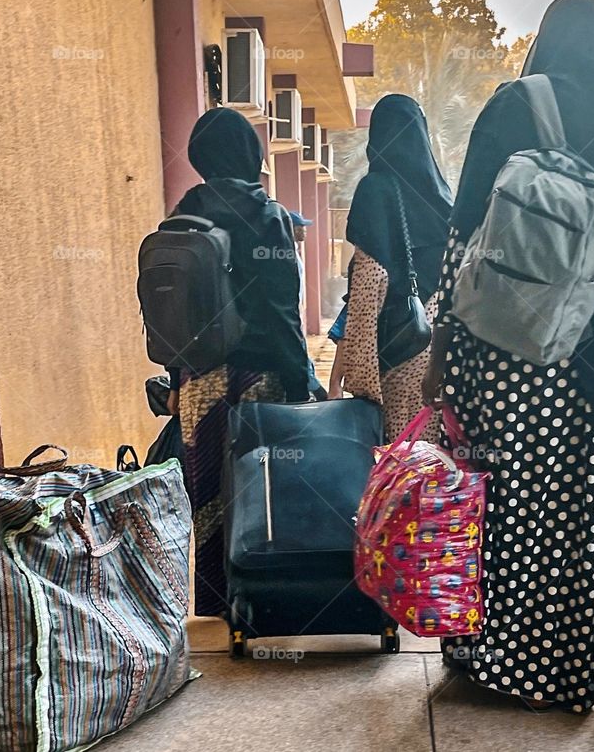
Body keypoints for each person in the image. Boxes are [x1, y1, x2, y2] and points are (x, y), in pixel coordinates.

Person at [422, 0, 594, 713]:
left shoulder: (514, 107)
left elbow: (464, 246)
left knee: (504, 509)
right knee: (585, 520)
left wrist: (446, 360)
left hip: (514, 358)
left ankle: (492, 661)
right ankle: (563, 677)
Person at [169, 107, 311, 617]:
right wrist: (300, 386)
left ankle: (211, 604)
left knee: (206, 498)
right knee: (260, 491)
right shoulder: (267, 216)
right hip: (259, 377)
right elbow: (281, 311)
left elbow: (173, 309)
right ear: (251, 156)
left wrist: (174, 380)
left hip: (197, 380)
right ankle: (261, 602)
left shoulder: (182, 213)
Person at [339, 94, 452, 440]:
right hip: (436, 349)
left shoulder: (375, 191)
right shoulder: (443, 195)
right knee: (431, 462)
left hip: (397, 351)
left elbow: (369, 285)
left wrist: (361, 381)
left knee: (397, 467)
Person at [290, 210, 327, 401]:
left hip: (296, 312)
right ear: (292, 228)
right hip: (291, 314)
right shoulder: (286, 252)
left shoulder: (293, 250)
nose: (304, 230)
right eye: (301, 226)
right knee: (300, 353)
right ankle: (317, 390)